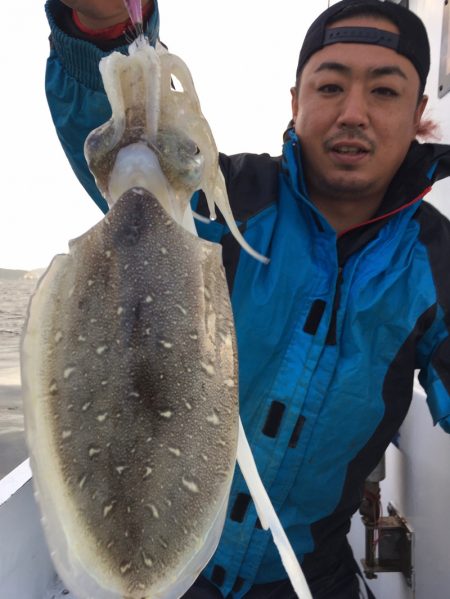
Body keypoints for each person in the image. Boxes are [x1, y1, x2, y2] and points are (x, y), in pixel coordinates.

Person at [44, 0, 450, 597]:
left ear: (419, 113)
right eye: (331, 86)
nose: (354, 114)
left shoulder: (435, 262)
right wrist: (102, 28)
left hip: (308, 575)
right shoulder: (223, 200)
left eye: (385, 92)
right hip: (181, 575)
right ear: (296, 101)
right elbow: (126, 149)